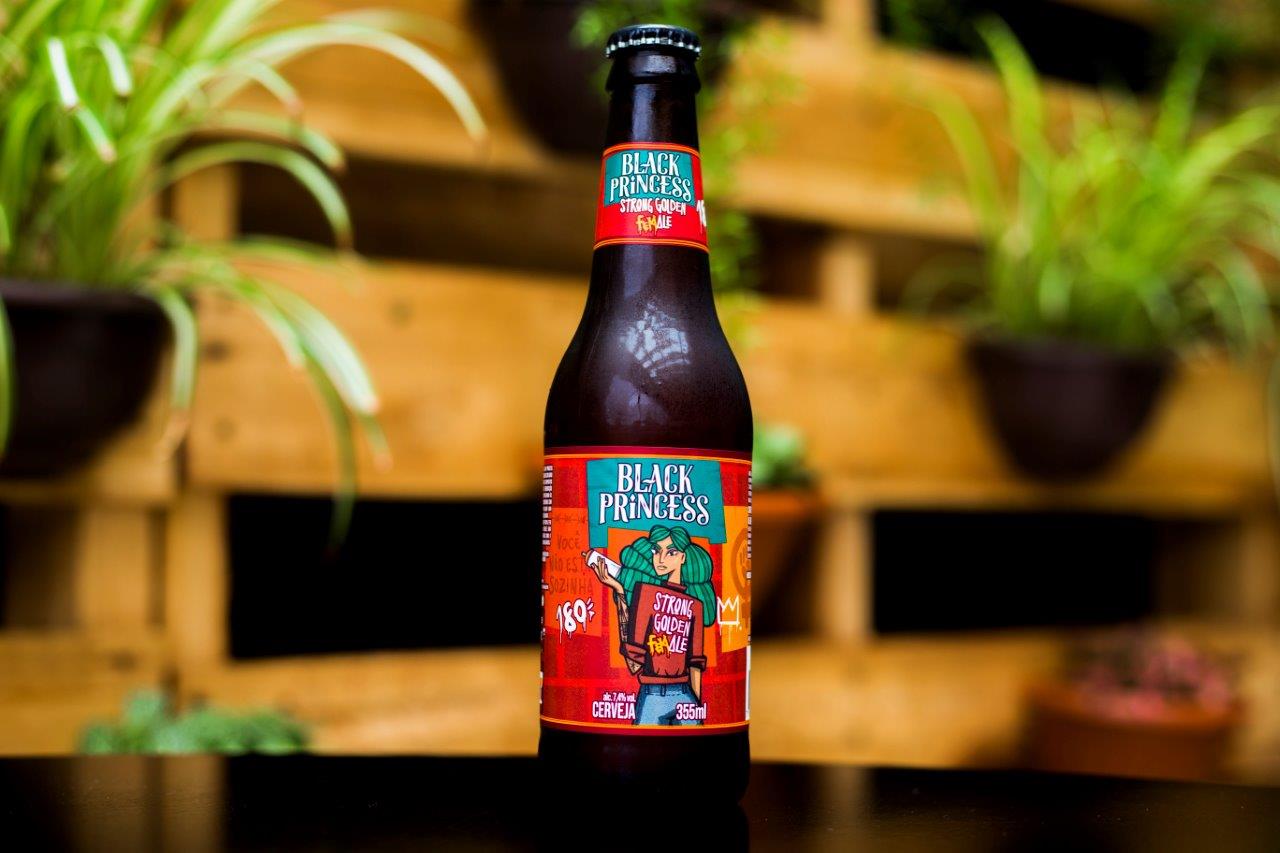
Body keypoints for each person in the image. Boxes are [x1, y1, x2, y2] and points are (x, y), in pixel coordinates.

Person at [586, 524, 717, 726]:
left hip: (681, 696)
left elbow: (695, 664)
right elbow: (635, 664)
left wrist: (698, 711)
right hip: (654, 697)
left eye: (671, 552)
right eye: (656, 551)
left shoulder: (695, 605)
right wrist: (619, 590)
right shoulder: (646, 594)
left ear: (683, 557)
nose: (661, 559)